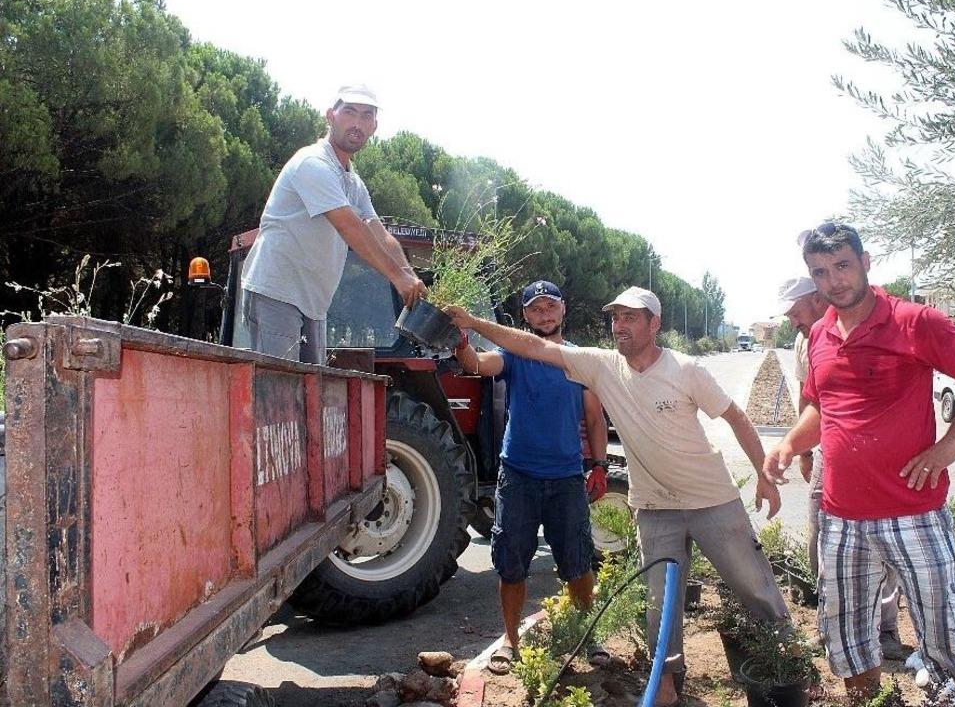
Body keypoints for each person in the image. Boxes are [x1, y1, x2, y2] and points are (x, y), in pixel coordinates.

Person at [447, 286, 790, 707]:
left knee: (754, 587)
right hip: (652, 507)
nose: (619, 325)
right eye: (615, 318)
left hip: (710, 499)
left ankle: (788, 665)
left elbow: (735, 416)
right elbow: (528, 348)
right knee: (659, 606)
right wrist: (471, 324)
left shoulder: (685, 369)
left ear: (654, 324)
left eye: (631, 317)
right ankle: (665, 685)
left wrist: (764, 474)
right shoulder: (600, 365)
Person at [764, 222, 955, 705]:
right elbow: (824, 408)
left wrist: (951, 444)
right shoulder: (819, 333)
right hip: (840, 519)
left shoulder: (913, 321)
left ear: (865, 262)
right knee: (849, 636)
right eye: (821, 272)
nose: (834, 281)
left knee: (952, 633)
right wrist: (790, 443)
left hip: (912, 513)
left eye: (842, 266)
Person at [453, 280, 610, 674]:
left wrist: (599, 466)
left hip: (567, 478)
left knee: (578, 561)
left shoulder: (579, 360)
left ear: (563, 309)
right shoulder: (514, 356)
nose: (544, 315)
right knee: (511, 564)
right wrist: (461, 342)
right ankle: (511, 640)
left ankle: (587, 637)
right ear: (525, 315)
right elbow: (477, 365)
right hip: (518, 477)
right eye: (536, 309)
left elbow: (595, 417)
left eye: (550, 306)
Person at [240, 84, 426, 364]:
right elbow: (349, 227)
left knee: (310, 386)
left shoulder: (353, 182)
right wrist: (398, 279)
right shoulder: (312, 163)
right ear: (330, 116)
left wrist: (410, 277)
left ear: (374, 126)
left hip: (314, 303)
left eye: (366, 115)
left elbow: (379, 233)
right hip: (276, 292)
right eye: (349, 112)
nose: (357, 123)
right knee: (277, 386)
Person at [777, 275, 907, 661]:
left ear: (817, 300)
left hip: (882, 457)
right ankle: (832, 624)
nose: (792, 322)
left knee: (883, 544)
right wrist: (802, 450)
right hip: (829, 455)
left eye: (795, 312)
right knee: (821, 536)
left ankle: (884, 629)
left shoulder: (871, 326)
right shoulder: (807, 340)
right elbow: (809, 398)